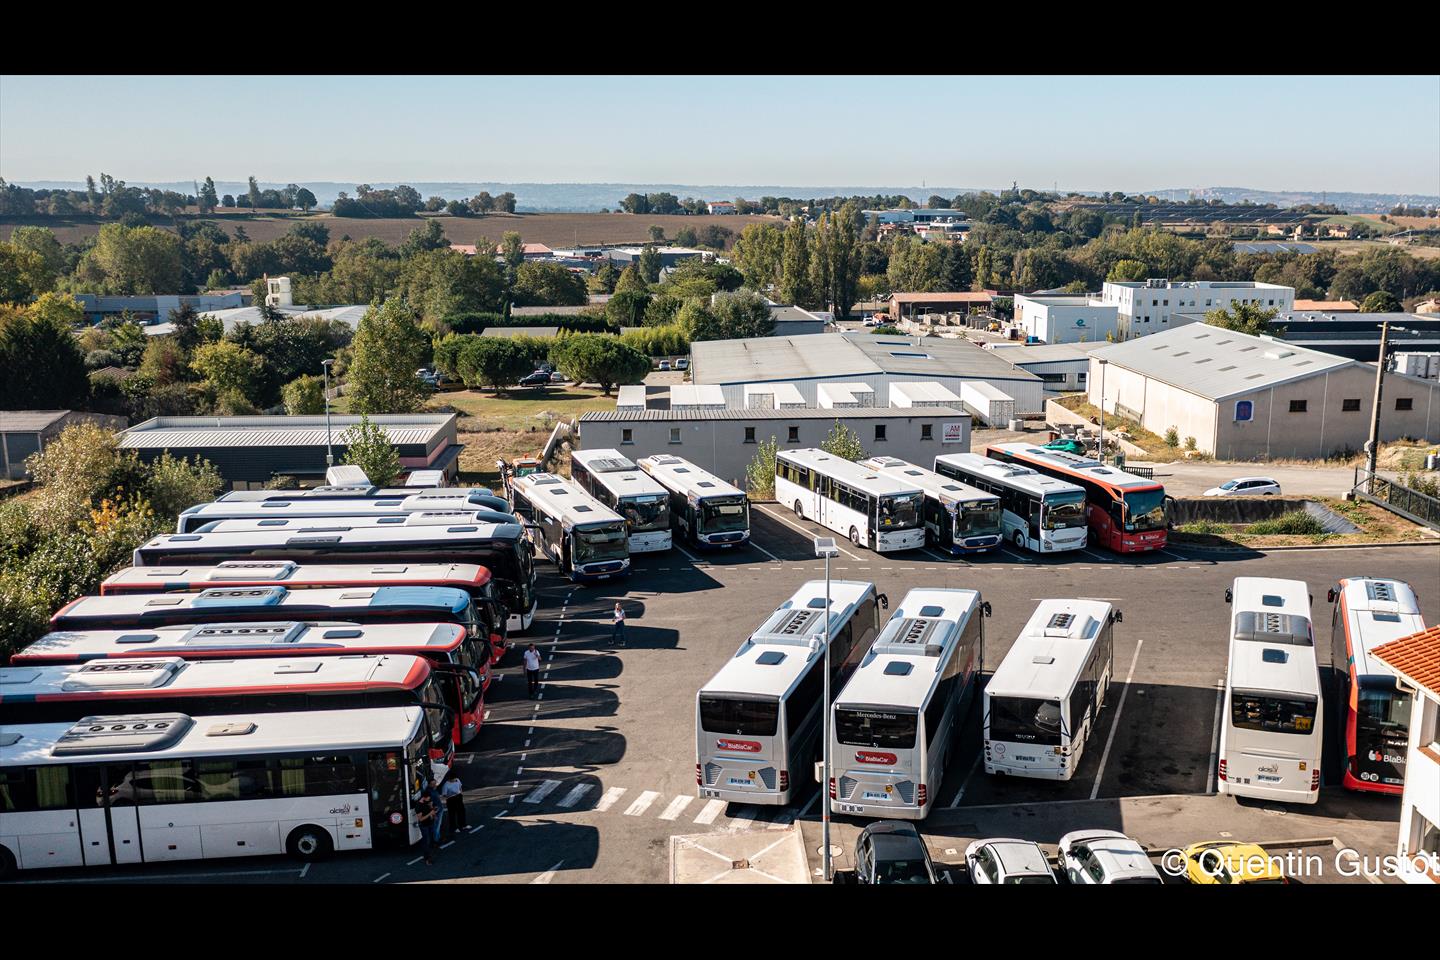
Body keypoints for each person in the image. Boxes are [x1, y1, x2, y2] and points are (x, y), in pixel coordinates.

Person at [414, 790, 438, 865]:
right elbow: (420, 819)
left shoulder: (427, 801)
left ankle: (431, 854)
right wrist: (430, 813)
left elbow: (431, 808)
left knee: (430, 839)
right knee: (426, 841)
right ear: (424, 797)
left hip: (430, 823)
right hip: (424, 825)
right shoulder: (418, 806)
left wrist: (433, 812)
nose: (429, 799)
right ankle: (427, 858)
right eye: (428, 798)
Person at [440, 773, 466, 838]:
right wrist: (451, 794)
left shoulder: (457, 780)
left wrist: (460, 793)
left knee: (461, 811)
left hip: (459, 797)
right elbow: (444, 794)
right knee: (452, 814)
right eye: (453, 779)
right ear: (450, 779)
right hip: (451, 799)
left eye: (455, 779)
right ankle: (453, 827)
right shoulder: (446, 785)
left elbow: (460, 787)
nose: (455, 780)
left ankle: (463, 825)